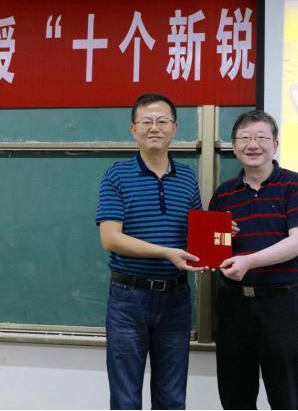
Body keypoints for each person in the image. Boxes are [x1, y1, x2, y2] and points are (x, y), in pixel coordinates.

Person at [96, 93, 205, 410]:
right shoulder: (117, 175)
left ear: (174, 128)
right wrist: (166, 252)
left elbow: (196, 234)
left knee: (172, 397)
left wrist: (222, 235)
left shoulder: (187, 177)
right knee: (126, 398)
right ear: (134, 129)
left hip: (176, 300)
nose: (154, 128)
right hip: (128, 300)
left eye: (162, 121)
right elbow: (111, 239)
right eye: (146, 122)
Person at [209, 109, 298, 409]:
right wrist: (220, 239)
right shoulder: (224, 194)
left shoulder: (295, 185)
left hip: (281, 305)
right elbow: (213, 250)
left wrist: (248, 262)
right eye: (244, 138)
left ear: (276, 144)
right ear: (234, 146)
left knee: (284, 397)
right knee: (235, 397)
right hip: (233, 305)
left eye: (260, 137)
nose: (252, 144)